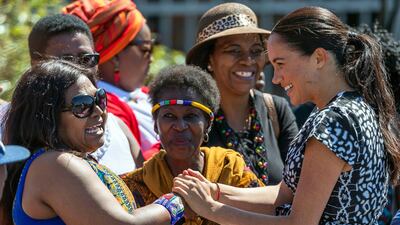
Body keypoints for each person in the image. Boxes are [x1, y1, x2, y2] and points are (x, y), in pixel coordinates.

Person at [173, 6, 400, 224]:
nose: (275, 78)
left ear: (319, 58)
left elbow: (299, 222)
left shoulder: (333, 120)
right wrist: (216, 191)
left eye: (280, 64)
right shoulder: (351, 108)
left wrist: (211, 209)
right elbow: (283, 195)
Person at [2, 60, 183, 225]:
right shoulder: (55, 164)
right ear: (49, 117)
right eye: (82, 105)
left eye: (100, 99)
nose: (99, 111)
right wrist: (177, 202)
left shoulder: (64, 162)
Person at [121, 65, 264, 225]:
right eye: (169, 115)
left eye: (190, 116)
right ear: (155, 124)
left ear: (208, 124)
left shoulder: (232, 173)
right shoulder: (133, 187)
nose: (180, 126)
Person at [186, 2, 298, 185]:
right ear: (209, 59)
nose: (247, 60)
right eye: (233, 51)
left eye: (255, 51)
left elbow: (297, 185)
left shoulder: (276, 109)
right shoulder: (191, 115)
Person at [26, 13, 143, 174]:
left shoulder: (117, 127)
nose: (79, 68)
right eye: (66, 61)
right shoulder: (11, 130)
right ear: (36, 65)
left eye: (86, 59)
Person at [63, 0, 159, 159]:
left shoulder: (144, 94)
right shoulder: (102, 105)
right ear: (115, 56)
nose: (151, 59)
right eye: (146, 49)